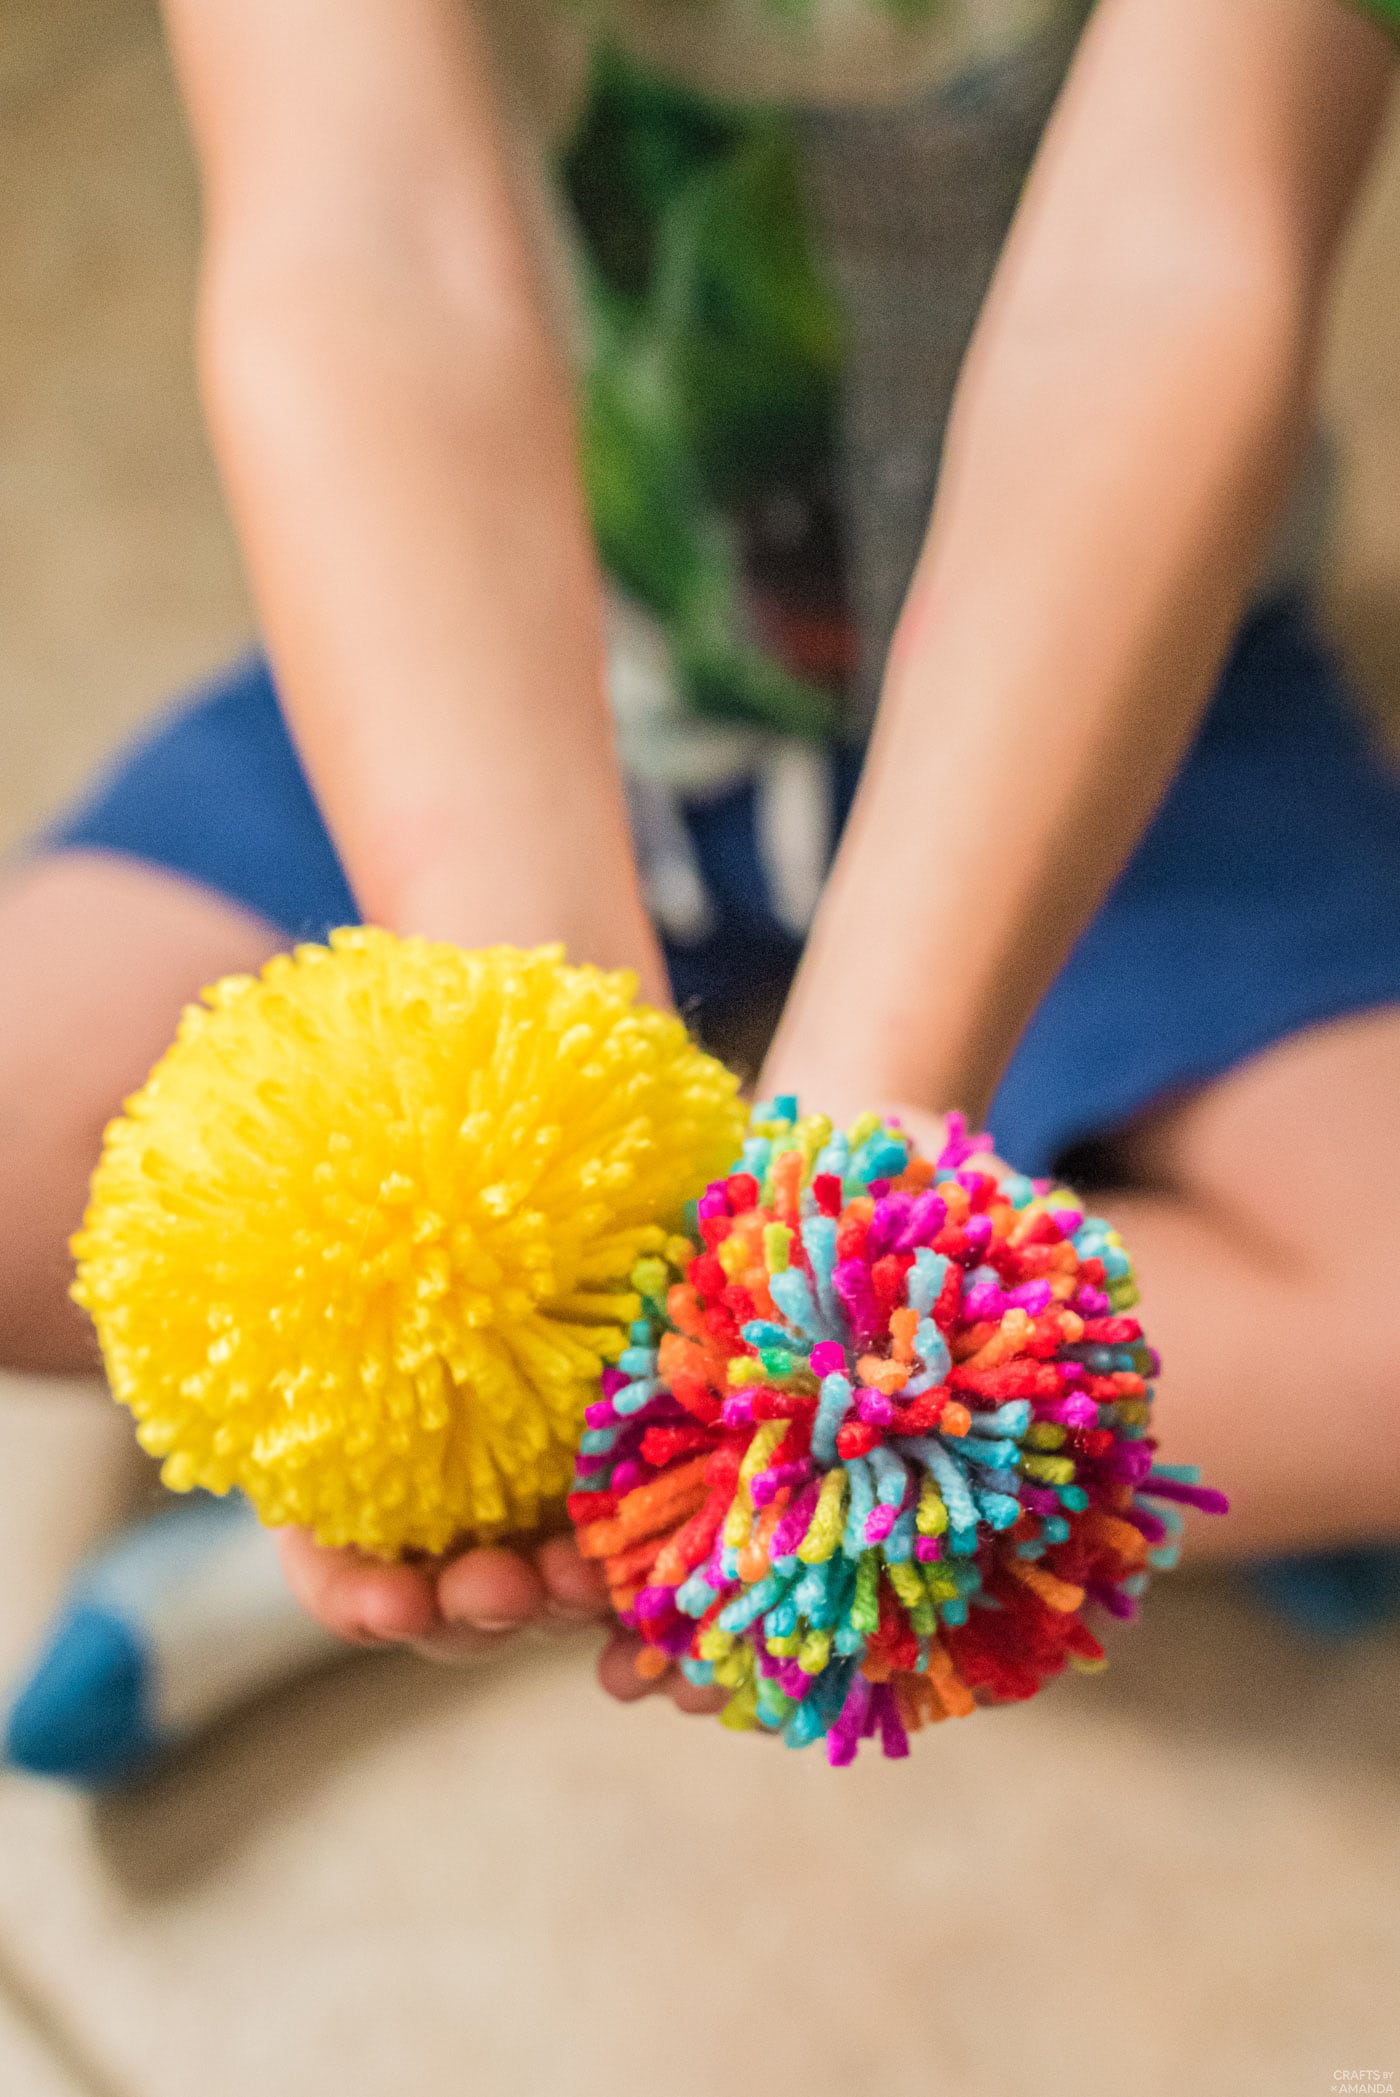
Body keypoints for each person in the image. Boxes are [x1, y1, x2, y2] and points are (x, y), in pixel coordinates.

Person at [2, 0, 1398, 1769]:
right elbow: (364, 246)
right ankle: (705, 1503)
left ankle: (635, 1521)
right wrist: (529, 1071)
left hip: (1129, 692)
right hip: (516, 649)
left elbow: (1159, 286)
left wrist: (868, 1148)